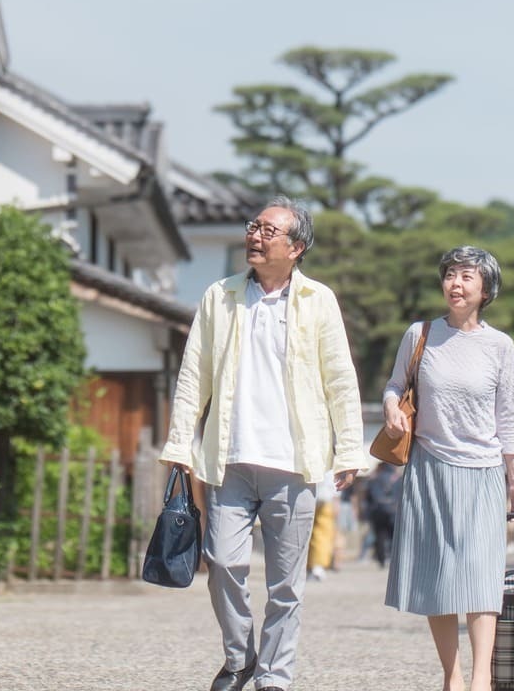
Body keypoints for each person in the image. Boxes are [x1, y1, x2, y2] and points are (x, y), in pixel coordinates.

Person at [160, 195, 367, 691]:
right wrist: (179, 441)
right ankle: (239, 659)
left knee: (285, 585)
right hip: (229, 459)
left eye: (268, 231)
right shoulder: (220, 296)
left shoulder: (319, 301)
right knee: (224, 564)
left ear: (296, 248)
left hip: (293, 461)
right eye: (254, 227)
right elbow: (195, 374)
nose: (255, 235)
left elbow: (340, 378)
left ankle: (275, 675)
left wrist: (350, 449)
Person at [381, 245, 514, 691]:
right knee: (437, 574)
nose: (456, 284)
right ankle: (453, 675)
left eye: (467, 276)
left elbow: (511, 418)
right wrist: (392, 407)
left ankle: (482, 677)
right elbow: (394, 385)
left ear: (486, 289)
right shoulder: (420, 334)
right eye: (450, 274)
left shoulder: (500, 346)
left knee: (483, 575)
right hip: (429, 468)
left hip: (484, 473)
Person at [363, 462, 402, 567]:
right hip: (394, 510)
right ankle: (394, 558)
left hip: (378, 510)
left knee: (380, 535)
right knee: (394, 536)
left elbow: (369, 496)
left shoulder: (374, 479)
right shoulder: (398, 478)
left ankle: (381, 559)